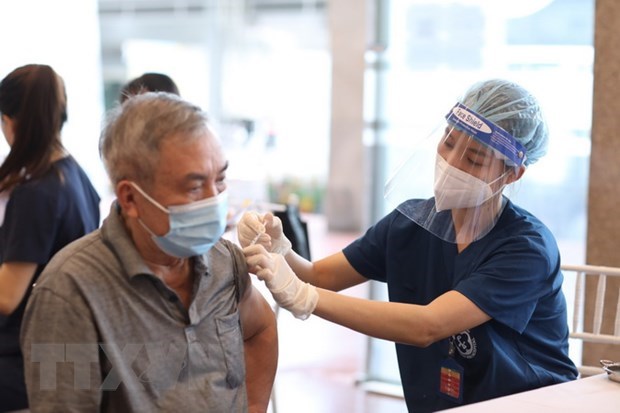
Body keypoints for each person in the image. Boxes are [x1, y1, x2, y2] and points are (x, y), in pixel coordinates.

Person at [238, 79, 579, 412]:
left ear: (512, 174)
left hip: (530, 404)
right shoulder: (411, 223)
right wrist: (279, 251)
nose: (453, 163)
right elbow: (319, 276)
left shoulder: (525, 248)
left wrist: (303, 297)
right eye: (448, 142)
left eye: (473, 159)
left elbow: (428, 325)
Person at [20, 92, 277, 412]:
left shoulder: (224, 261)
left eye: (220, 179)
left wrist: (253, 406)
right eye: (195, 186)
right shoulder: (70, 293)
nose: (215, 201)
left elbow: (261, 328)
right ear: (130, 198)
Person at [0, 64, 101, 412]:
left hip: (30, 362)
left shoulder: (36, 192)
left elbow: (7, 296)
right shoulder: (74, 176)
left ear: (10, 121)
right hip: (67, 350)